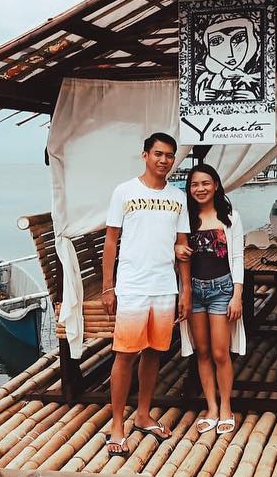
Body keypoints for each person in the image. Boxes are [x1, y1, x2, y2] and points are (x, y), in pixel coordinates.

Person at [101, 132, 191, 456]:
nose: (164, 160)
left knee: (154, 352)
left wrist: (185, 289)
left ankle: (142, 414)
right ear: (145, 155)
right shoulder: (124, 191)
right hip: (133, 287)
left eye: (169, 155)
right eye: (158, 154)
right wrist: (108, 287)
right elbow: (111, 242)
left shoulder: (178, 197)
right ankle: (116, 425)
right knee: (125, 355)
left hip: (164, 287)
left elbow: (182, 246)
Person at [174, 163, 245, 436]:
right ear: (188, 189)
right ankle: (212, 407)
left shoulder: (230, 218)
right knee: (201, 352)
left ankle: (226, 407)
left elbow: (237, 258)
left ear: (215, 185)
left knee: (220, 352)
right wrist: (176, 249)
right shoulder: (184, 219)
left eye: (205, 183)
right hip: (193, 291)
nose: (200, 189)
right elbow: (176, 251)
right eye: (194, 184)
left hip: (222, 290)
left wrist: (236, 295)